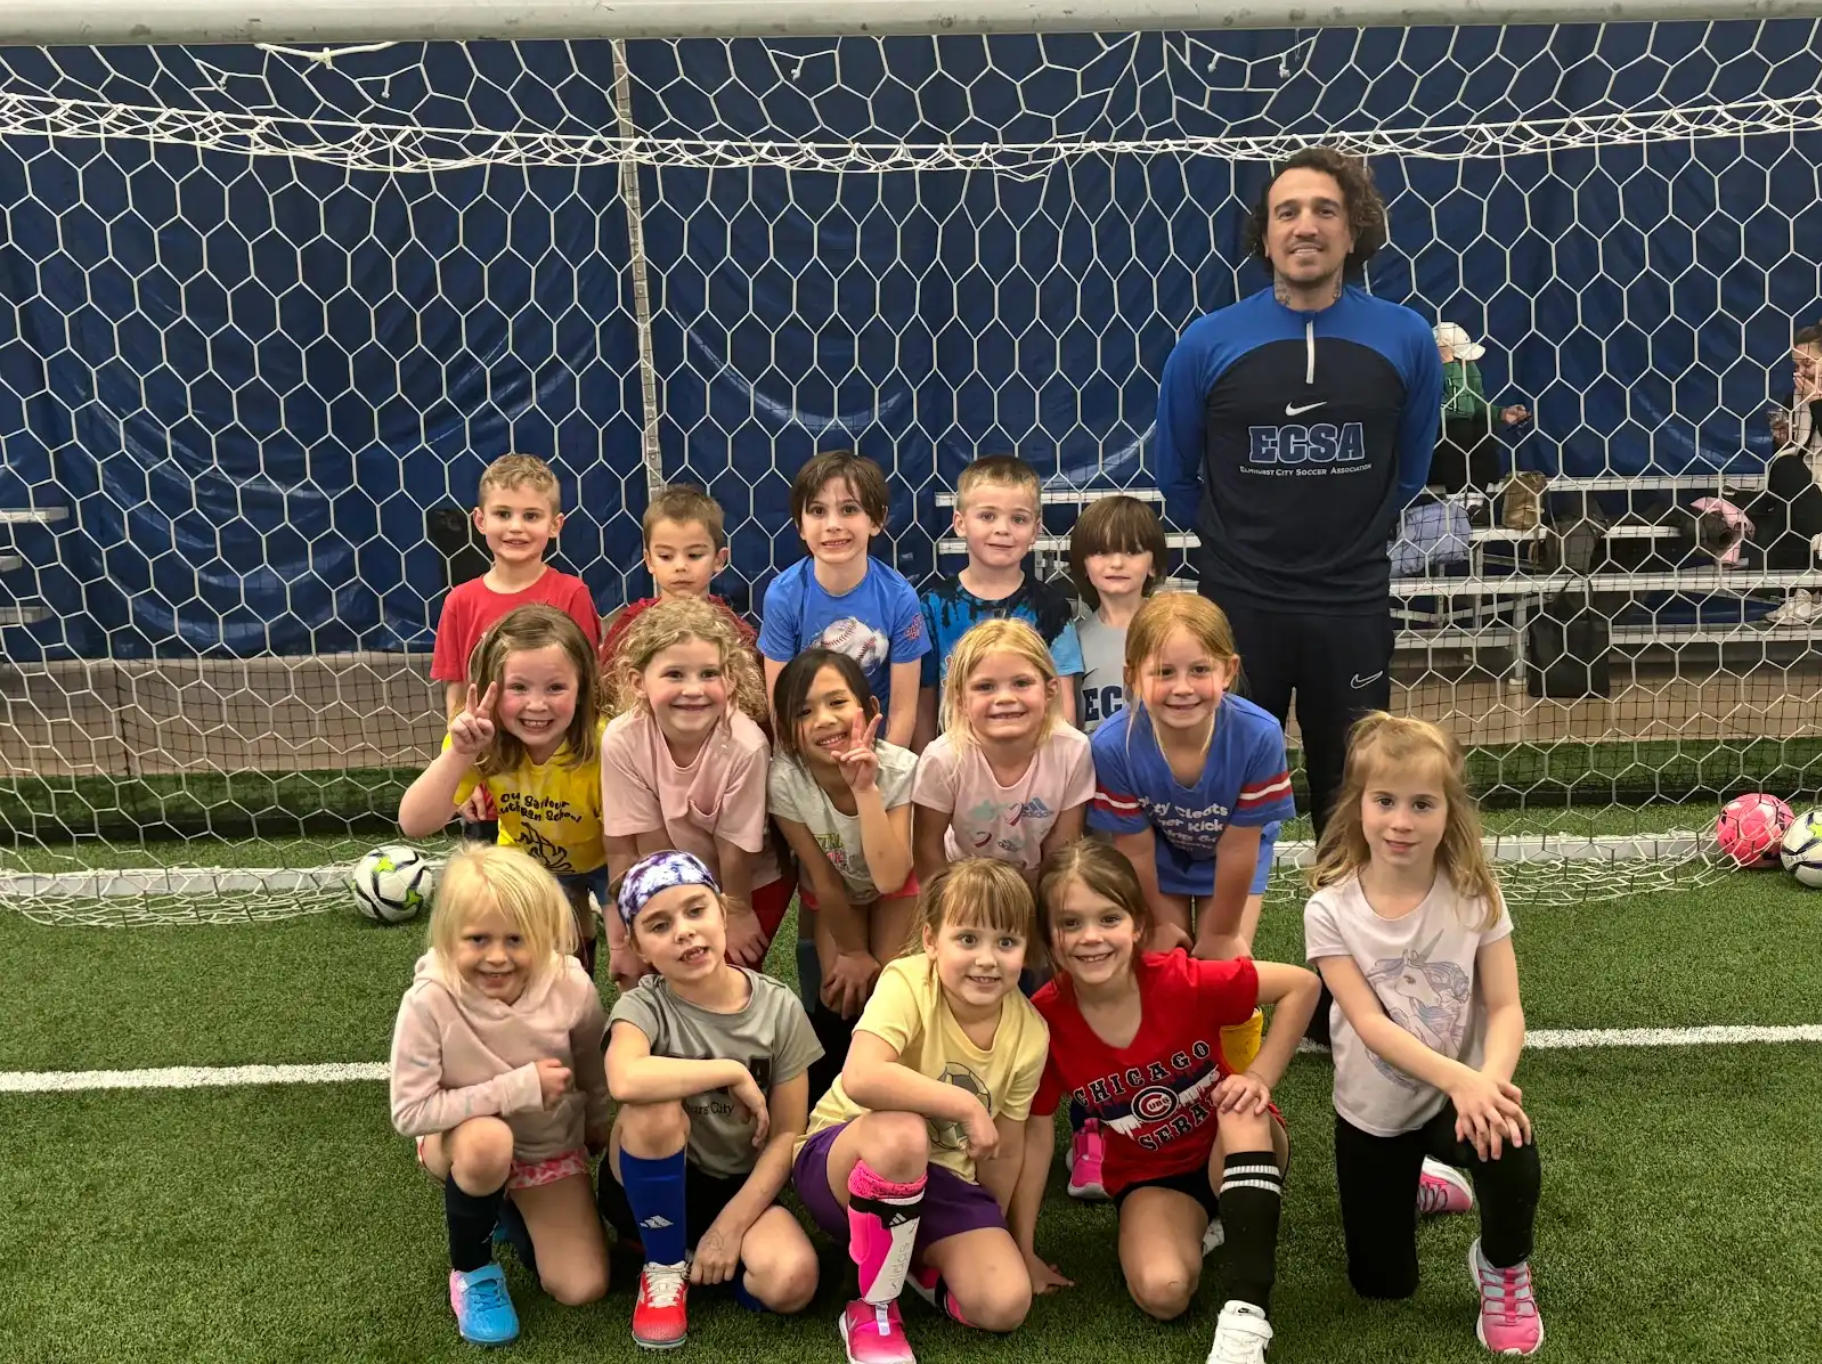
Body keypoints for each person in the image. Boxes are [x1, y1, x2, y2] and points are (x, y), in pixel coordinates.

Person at [1153, 146, 1442, 847]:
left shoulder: (1405, 338)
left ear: (1353, 230)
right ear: (1265, 233)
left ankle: (1347, 947)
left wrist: (1346, 541)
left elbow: (1409, 469)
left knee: (1353, 786)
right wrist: (1242, 548)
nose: (1305, 226)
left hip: (1351, 600)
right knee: (1220, 783)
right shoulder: (1206, 343)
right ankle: (1217, 950)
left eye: (1325, 211)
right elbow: (1175, 474)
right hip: (1239, 601)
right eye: (1287, 212)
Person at [1013, 841, 1320, 1364]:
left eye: (1108, 918)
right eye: (1070, 923)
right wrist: (1021, 1248)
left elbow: (1302, 987)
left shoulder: (1180, 980)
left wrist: (1260, 1077)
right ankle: (1216, 1223)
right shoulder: (1042, 1022)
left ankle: (1246, 1321)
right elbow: (1038, 1133)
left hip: (1235, 1142)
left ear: (1136, 925)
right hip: (1151, 1174)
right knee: (1164, 1293)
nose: (1091, 938)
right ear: (1049, 939)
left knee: (1237, 1108)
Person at [1304, 712, 1543, 1356]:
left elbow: (1506, 1007)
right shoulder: (1329, 909)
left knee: (1510, 1137)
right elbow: (1371, 1024)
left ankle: (1502, 1265)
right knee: (1381, 1287)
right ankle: (1416, 1179)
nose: (1400, 822)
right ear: (1358, 808)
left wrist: (1487, 1088)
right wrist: (1465, 1079)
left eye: (1421, 803)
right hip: (1374, 1112)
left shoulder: (1474, 893)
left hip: (1452, 1102)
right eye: (1384, 801)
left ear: (1449, 812)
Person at [791, 860, 1050, 1364]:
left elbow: (1006, 1146)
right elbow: (862, 1077)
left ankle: (908, 1262)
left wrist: (1003, 1236)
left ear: (1026, 950)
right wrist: (963, 1104)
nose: (987, 960)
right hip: (845, 1160)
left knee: (1005, 1303)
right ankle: (873, 1306)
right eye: (967, 939)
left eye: (1006, 942)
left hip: (941, 1178)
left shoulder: (1031, 1033)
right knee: (904, 1133)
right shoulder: (908, 980)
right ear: (932, 940)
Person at [388, 844, 611, 1347]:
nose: (496, 956)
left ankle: (503, 1209)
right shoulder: (430, 999)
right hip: (461, 1142)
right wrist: (518, 1088)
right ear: (448, 936)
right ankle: (474, 1271)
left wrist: (598, 1119)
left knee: (583, 1286)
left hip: (546, 1147)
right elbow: (410, 1112)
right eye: (476, 939)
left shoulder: (571, 986)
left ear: (545, 935)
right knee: (488, 1143)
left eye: (515, 938)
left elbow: (593, 1067)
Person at [600, 851, 823, 1348]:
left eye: (696, 910)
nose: (684, 931)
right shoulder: (643, 1004)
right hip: (654, 1178)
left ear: (723, 913)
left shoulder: (778, 1007)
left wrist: (731, 1226)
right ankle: (662, 1267)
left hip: (736, 1184)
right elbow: (625, 1079)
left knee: (793, 1281)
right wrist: (728, 1071)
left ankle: (703, 1262)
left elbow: (788, 1133)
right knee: (654, 1105)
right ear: (637, 946)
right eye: (660, 925)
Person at [399, 604, 608, 977]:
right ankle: (571, 999)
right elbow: (413, 822)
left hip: (612, 858)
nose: (537, 704)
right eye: (518, 687)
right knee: (545, 961)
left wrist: (624, 935)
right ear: (490, 689)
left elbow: (631, 843)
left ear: (582, 689)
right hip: (531, 862)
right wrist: (460, 755)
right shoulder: (481, 740)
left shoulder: (605, 742)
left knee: (640, 948)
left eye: (556, 687)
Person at [1087, 593, 1291, 963]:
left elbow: (1238, 847)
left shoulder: (1259, 734)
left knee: (1224, 966)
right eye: (1164, 672)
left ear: (1228, 671)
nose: (1183, 688)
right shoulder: (1113, 745)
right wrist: (1157, 924)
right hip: (1161, 853)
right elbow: (1136, 849)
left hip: (1233, 854)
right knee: (1165, 965)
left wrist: (1222, 933)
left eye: (1200, 670)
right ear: (1131, 677)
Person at [601, 597, 791, 992]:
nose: (694, 690)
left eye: (709, 674)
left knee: (726, 982)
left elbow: (736, 849)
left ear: (733, 680)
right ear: (638, 682)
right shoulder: (622, 739)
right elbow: (630, 845)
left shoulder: (745, 745)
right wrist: (626, 932)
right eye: (674, 674)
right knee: (663, 982)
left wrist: (734, 910)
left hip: (748, 882)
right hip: (663, 869)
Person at [768, 648, 919, 1099]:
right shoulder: (786, 780)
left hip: (898, 888)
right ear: (787, 730)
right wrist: (851, 952)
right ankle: (834, 1094)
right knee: (841, 988)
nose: (824, 719)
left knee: (892, 987)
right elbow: (820, 877)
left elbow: (893, 878)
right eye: (804, 710)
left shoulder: (899, 768)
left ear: (870, 710)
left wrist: (865, 789)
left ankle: (899, 1083)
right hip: (834, 889)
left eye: (837, 702)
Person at [429, 453, 601, 846]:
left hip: (561, 772)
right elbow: (458, 692)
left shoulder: (571, 593)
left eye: (531, 516)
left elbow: (590, 687)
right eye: (503, 514)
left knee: (571, 873)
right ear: (480, 520)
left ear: (556, 525)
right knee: (496, 884)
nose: (516, 527)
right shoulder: (460, 601)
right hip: (492, 766)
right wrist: (462, 767)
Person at [759, 450, 929, 749]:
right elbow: (780, 707)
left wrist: (884, 773)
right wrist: (804, 771)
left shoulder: (900, 598)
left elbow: (903, 712)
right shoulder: (783, 595)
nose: (832, 524)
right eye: (817, 511)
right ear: (799, 525)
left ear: (877, 520)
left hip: (876, 749)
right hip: (810, 749)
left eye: (849, 509)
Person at [910, 618, 1094, 891]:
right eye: (985, 686)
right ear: (960, 700)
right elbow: (927, 850)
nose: (1005, 698)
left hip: (1037, 886)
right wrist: (950, 911)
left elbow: (1062, 848)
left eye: (1021, 683)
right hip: (961, 886)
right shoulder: (943, 759)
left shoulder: (1072, 751)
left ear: (1050, 691)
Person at [914, 455, 1083, 747]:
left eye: (1018, 519)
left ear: (1036, 530)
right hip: (957, 768)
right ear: (960, 523)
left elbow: (1063, 707)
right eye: (988, 516)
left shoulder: (1050, 607)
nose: (1003, 529)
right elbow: (925, 700)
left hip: (1034, 768)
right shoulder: (932, 606)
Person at [600, 484, 758, 712]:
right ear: (649, 560)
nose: (680, 566)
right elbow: (608, 695)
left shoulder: (735, 632)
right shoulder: (629, 627)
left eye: (694, 555)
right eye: (666, 556)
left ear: (719, 559)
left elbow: (751, 705)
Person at [1067, 493, 1168, 734]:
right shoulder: (1071, 641)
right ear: (1083, 564)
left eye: (1132, 552)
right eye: (1102, 552)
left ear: (1153, 564)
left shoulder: (1178, 630)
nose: (1116, 563)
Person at [1751, 321, 1822, 625]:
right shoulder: (1791, 400)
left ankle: (1808, 592)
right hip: (1808, 494)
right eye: (1796, 365)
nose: (1801, 372)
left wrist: (1818, 402)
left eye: (1808, 363)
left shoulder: (1811, 397)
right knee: (1784, 468)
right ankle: (1808, 593)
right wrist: (1781, 441)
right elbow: (1787, 459)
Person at [1429, 321, 1531, 496]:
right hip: (1436, 452)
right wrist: (1449, 366)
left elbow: (1475, 403)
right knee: (1458, 426)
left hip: (1467, 459)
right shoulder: (1427, 371)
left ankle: (1476, 501)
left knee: (1484, 426)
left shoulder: (1468, 367)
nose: (1465, 362)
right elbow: (1460, 409)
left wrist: (1501, 413)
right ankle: (1458, 500)